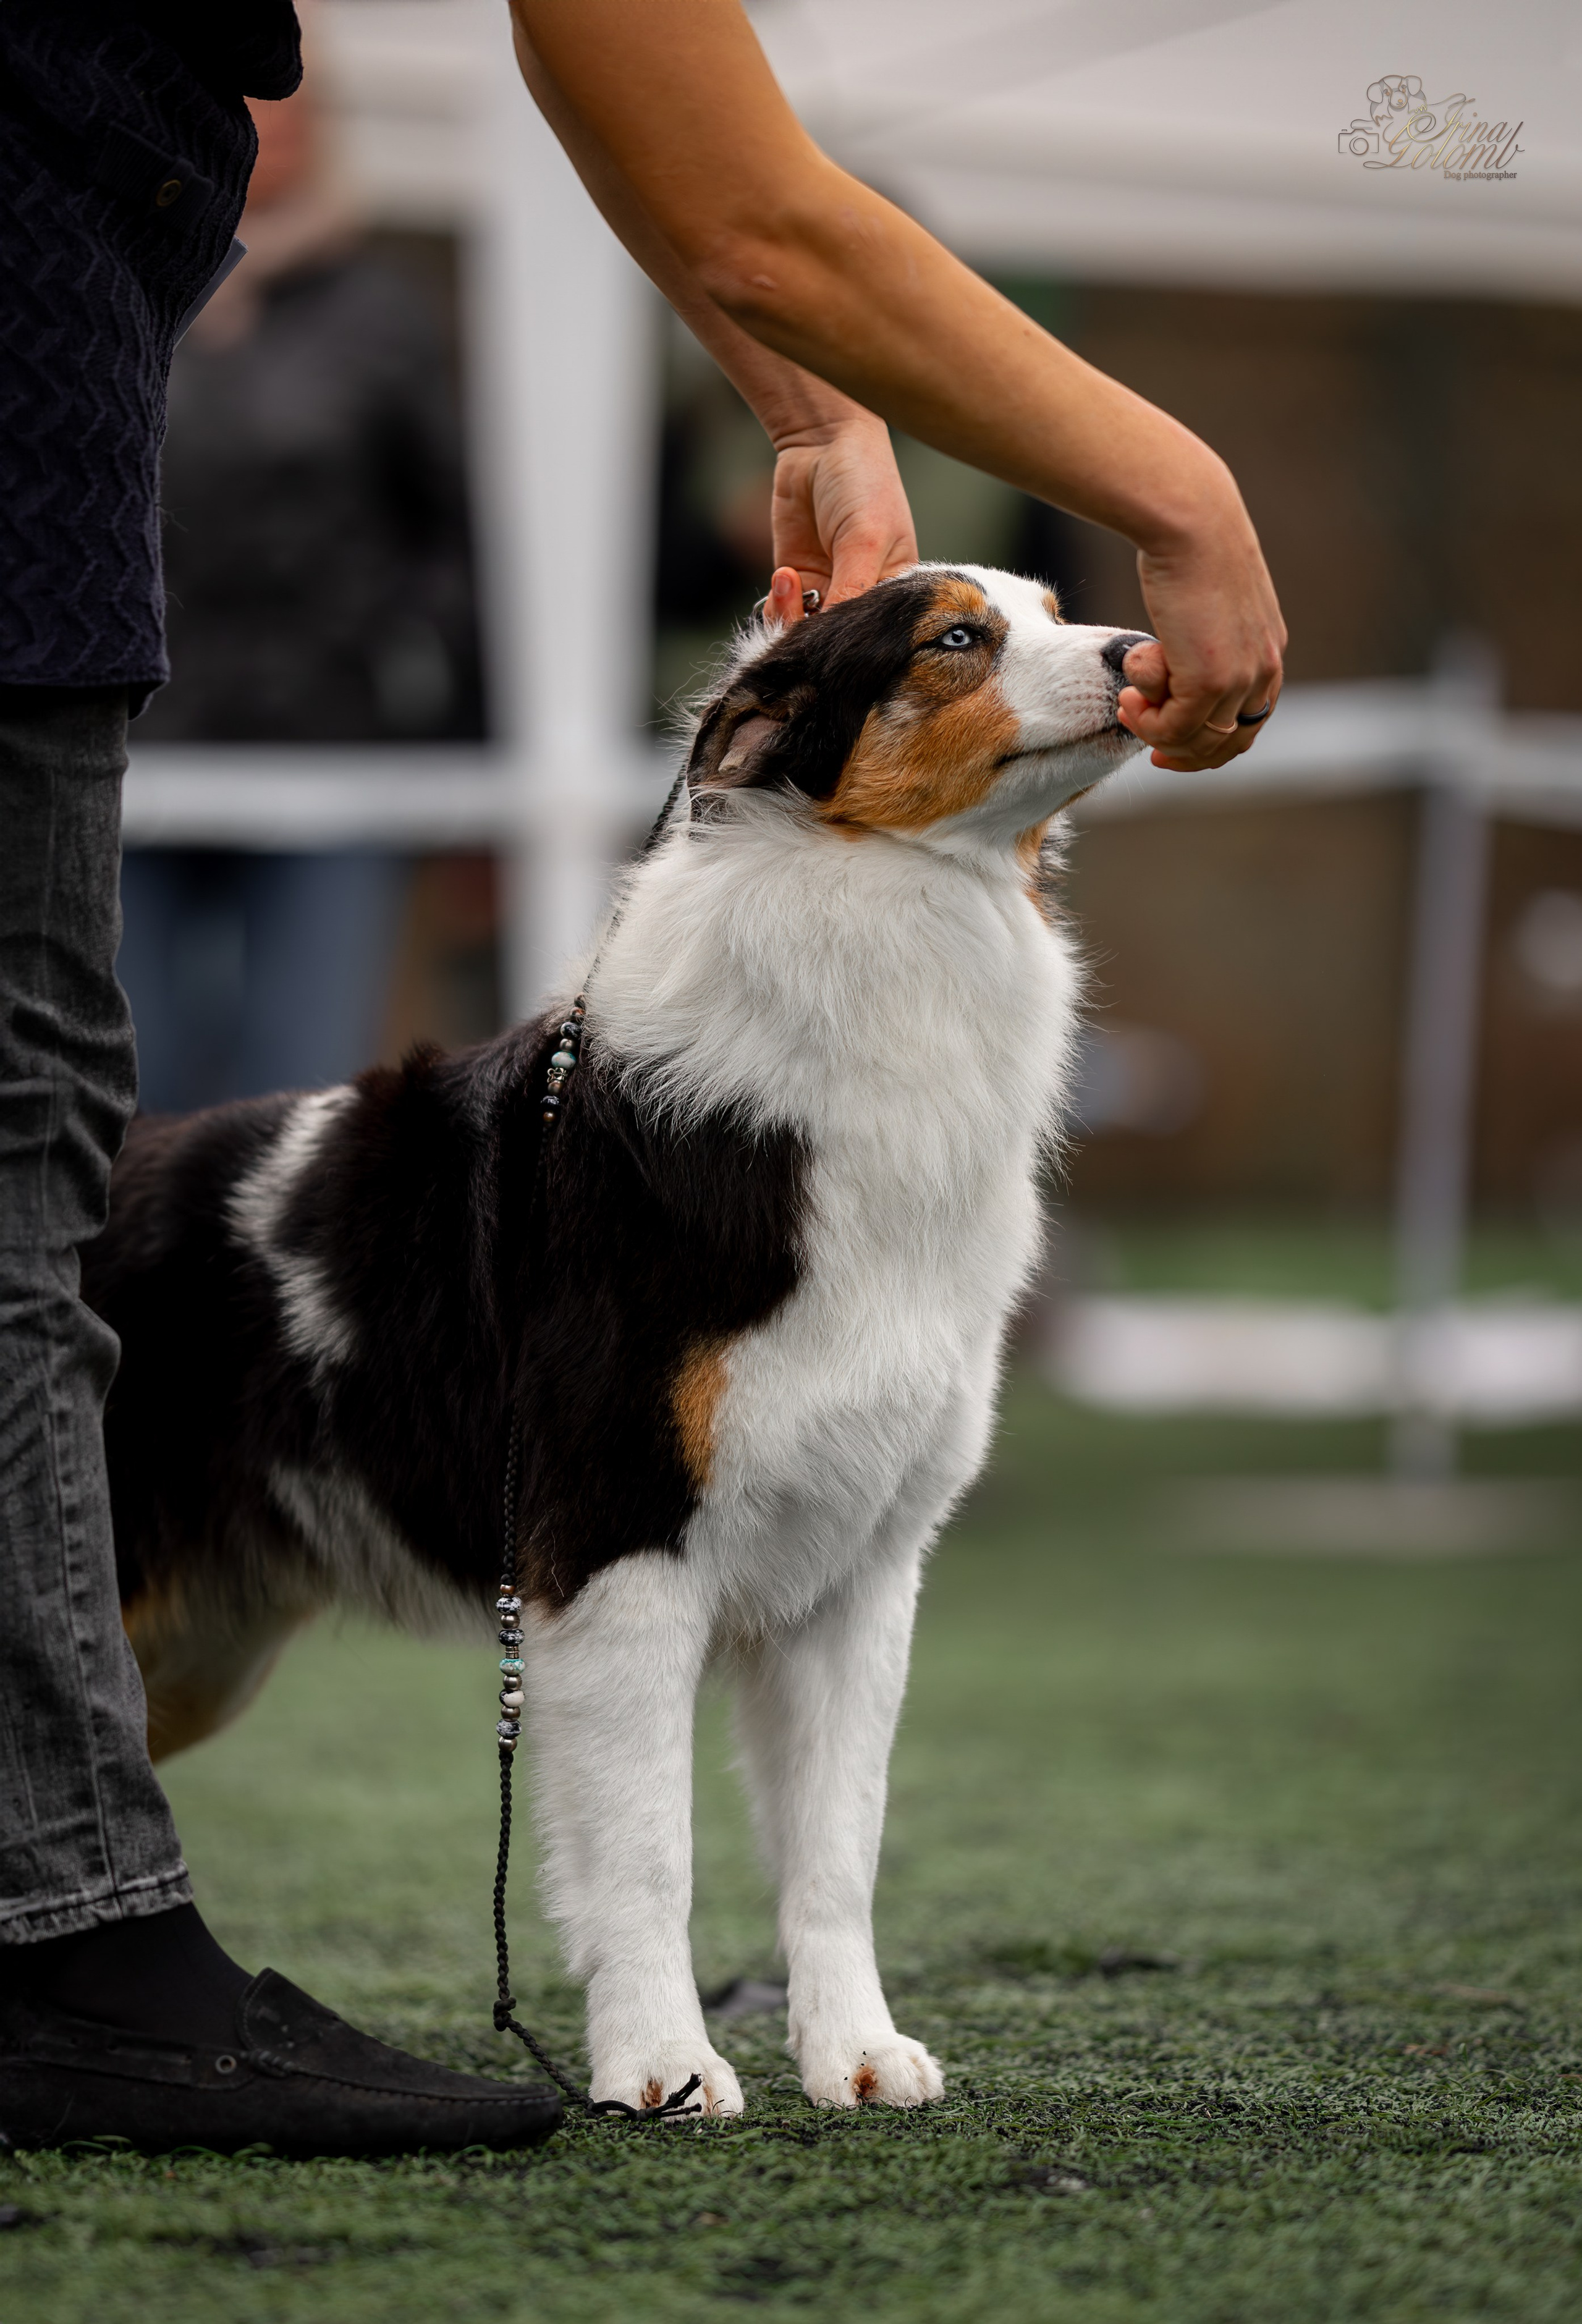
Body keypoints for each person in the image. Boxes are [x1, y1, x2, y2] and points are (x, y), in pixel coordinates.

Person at [0, 0, 1284, 2153]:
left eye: (1037, 623)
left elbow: (848, 1575)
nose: (1068, 659)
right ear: (787, 750)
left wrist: (809, 404)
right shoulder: (676, 1090)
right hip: (239, 1267)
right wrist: (1191, 496)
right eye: (973, 645)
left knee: (837, 1564)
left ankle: (834, 1989)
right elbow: (741, 196)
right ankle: (591, 1996)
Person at [121, 72, 481, 1112]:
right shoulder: (112, 284)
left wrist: (415, 675)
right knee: (135, 1079)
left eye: (294, 108)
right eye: (249, 100)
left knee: (302, 1087)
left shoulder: (380, 315)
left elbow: (453, 528)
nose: (270, 131)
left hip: (332, 749)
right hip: (137, 742)